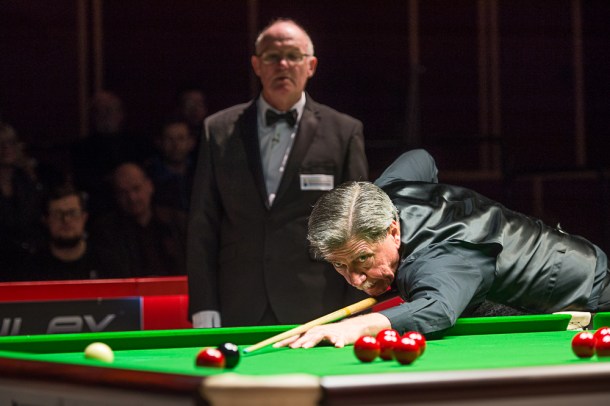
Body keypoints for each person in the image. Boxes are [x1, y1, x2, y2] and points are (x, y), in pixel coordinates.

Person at [276, 151, 610, 349]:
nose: (355, 279)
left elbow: (437, 309)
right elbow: (419, 158)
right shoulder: (386, 195)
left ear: (393, 231)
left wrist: (358, 326)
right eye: (340, 265)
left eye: (363, 258)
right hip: (513, 275)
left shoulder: (438, 261)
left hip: (585, 291)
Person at [187, 18, 371, 328]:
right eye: (272, 56)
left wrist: (356, 308)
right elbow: (203, 223)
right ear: (257, 65)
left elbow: (358, 226)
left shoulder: (344, 132)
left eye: (293, 56)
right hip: (238, 300)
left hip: (319, 302)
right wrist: (203, 304)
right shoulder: (217, 130)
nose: (282, 64)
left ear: (311, 65)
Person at [91, 162, 186, 278]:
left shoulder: (176, 222)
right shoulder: (107, 231)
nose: (132, 198)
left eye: (136, 188)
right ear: (116, 196)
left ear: (149, 186)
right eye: (123, 192)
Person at [70, 90, 153, 218]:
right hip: (100, 209)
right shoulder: (81, 148)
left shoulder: (139, 143)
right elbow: (82, 181)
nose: (105, 116)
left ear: (121, 114)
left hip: (138, 204)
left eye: (109, 110)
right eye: (99, 112)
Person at [16, 185, 101, 281]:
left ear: (84, 217)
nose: (66, 220)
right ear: (46, 220)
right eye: (57, 214)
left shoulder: (107, 263)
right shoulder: (29, 269)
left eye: (72, 213)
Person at [0, 121, 44, 276]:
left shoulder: (26, 180)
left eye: (10, 142)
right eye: (0, 143)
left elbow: (35, 220)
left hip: (28, 259)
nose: (6, 148)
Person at [145, 119, 196, 212]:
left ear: (191, 142)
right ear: (159, 142)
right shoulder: (149, 176)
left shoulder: (202, 171)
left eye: (181, 138)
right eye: (169, 139)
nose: (176, 145)